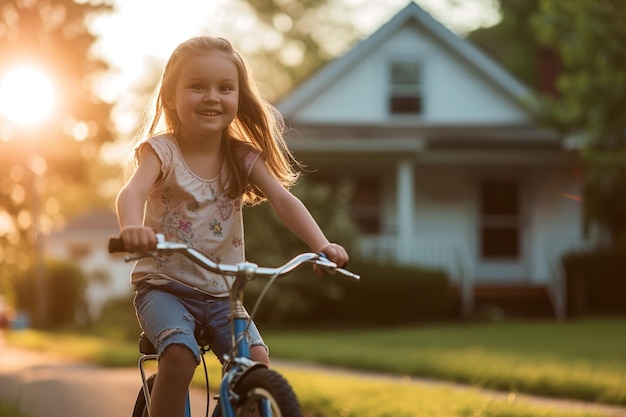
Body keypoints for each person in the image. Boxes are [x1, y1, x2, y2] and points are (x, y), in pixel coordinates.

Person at [115, 36, 349, 417]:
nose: (212, 96)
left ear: (239, 98)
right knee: (178, 356)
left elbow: (284, 201)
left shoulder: (241, 156)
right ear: (172, 96)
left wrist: (322, 245)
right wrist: (131, 229)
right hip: (164, 288)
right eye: (197, 86)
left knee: (256, 361)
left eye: (225, 88)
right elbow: (132, 192)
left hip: (224, 293)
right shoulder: (161, 151)